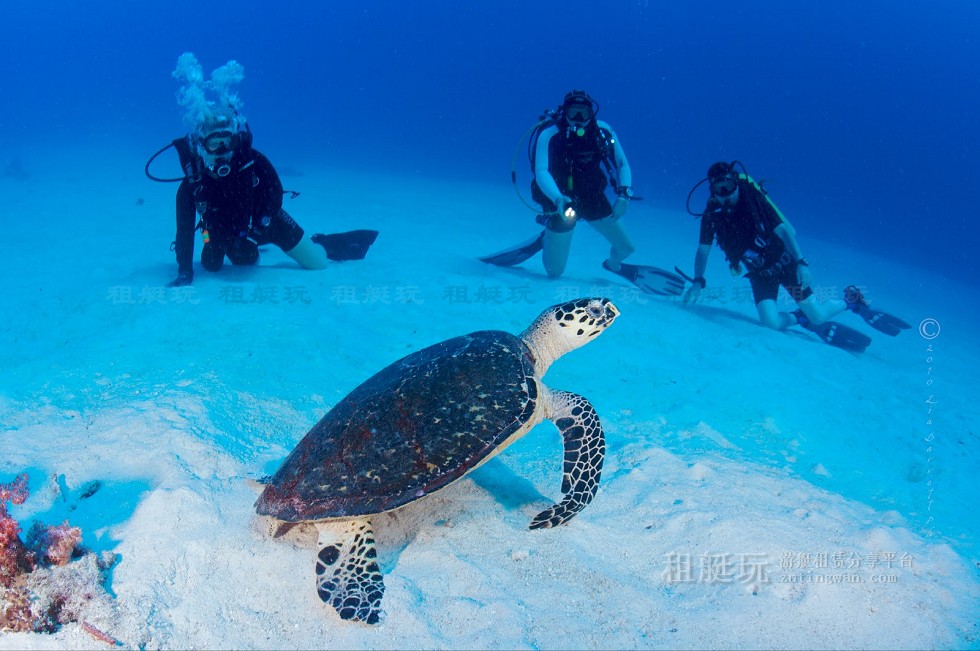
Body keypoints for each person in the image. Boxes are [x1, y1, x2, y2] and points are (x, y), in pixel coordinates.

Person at [154, 53, 375, 287]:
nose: (220, 150)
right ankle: (244, 248)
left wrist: (260, 225)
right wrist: (185, 273)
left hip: (268, 221)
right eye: (213, 143)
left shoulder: (254, 162)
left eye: (225, 142)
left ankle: (321, 243)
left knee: (318, 264)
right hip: (224, 234)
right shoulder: (193, 183)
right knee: (219, 264)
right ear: (202, 146)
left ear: (235, 141)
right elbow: (185, 232)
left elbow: (275, 193)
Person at [682, 161, 909, 351]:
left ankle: (851, 300)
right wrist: (698, 281)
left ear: (736, 183)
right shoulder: (713, 214)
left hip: (786, 265)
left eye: (729, 187)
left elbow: (784, 231)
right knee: (770, 323)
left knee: (819, 316)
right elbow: (703, 249)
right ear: (711, 190)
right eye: (718, 190)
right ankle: (800, 318)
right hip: (760, 275)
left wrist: (801, 262)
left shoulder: (753, 202)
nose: (725, 195)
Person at [480, 90, 684, 296]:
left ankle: (614, 266)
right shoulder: (549, 134)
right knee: (554, 272)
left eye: (583, 113)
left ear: (591, 113)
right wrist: (557, 198)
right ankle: (548, 236)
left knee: (626, 248)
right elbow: (541, 172)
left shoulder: (603, 131)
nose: (578, 119)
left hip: (591, 195)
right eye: (573, 112)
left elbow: (622, 163)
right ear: (564, 112)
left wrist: (624, 196)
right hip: (559, 200)